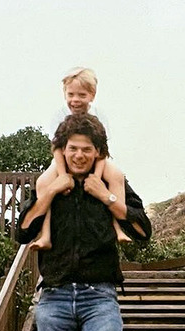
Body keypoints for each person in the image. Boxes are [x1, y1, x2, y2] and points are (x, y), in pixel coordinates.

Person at [17, 113, 151, 331]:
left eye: (86, 150)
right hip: (54, 298)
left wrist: (105, 196)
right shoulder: (49, 183)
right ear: (62, 150)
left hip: (99, 296)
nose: (79, 155)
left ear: (98, 153)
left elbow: (143, 231)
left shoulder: (110, 182)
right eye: (73, 149)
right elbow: (23, 232)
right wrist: (50, 194)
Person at [30, 67, 130, 251]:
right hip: (64, 158)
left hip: (95, 158)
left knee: (116, 176)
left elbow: (102, 150)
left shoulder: (98, 115)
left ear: (92, 95)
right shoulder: (60, 115)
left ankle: (119, 228)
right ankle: (45, 235)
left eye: (82, 95)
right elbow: (57, 148)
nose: (75, 100)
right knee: (43, 182)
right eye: (71, 94)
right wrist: (62, 176)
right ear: (64, 94)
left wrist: (97, 177)